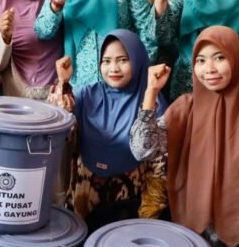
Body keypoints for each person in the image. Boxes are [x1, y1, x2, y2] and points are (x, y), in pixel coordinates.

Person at [131, 26, 239, 247]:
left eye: (219, 58)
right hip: (189, 241)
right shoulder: (185, 110)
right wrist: (151, 93)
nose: (209, 69)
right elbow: (142, 150)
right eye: (201, 60)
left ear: (236, 58)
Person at [49, 30, 166, 232]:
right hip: (85, 191)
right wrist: (63, 82)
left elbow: (160, 165)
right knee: (82, 242)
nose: (113, 68)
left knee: (116, 246)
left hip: (130, 197)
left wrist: (149, 212)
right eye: (106, 61)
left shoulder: (152, 101)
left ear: (138, 60)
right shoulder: (88, 94)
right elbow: (57, 123)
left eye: (123, 60)